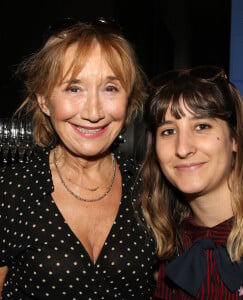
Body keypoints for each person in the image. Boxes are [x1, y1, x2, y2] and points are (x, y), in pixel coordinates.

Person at [0, 18, 156, 299]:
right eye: (74, 88)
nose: (93, 111)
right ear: (45, 100)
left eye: (110, 88)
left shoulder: (149, 189)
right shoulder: (10, 191)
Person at [140, 65, 243, 299]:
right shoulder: (166, 255)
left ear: (235, 138)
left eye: (202, 126)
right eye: (168, 131)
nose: (183, 148)